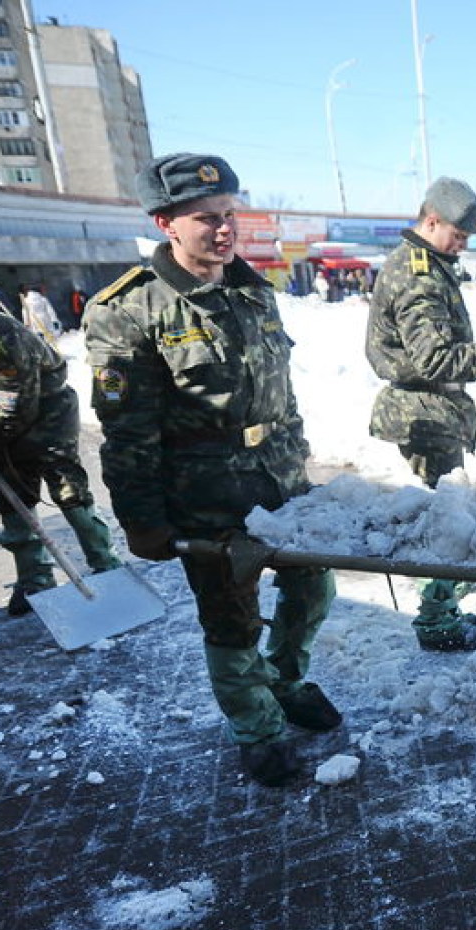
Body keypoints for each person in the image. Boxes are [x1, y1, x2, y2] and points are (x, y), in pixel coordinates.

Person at [83, 153, 340, 788]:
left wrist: (298, 463)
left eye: (230, 214)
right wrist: (142, 520)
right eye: (207, 219)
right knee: (230, 617)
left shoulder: (253, 290)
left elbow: (283, 396)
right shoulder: (129, 310)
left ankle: (284, 682)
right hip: (207, 497)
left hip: (280, 485)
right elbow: (127, 434)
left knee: (314, 591)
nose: (225, 229)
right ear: (166, 222)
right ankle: (255, 727)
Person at [366, 176, 476, 652]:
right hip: (425, 411)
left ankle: (443, 600)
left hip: (432, 409)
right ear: (430, 219)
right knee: (442, 526)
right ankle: (438, 621)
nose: (461, 246)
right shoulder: (418, 276)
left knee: (443, 514)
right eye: (457, 236)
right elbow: (433, 361)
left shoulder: (430, 264)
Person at [0, 265, 122, 616]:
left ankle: (106, 563)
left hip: (46, 411)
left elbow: (13, 407)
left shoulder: (1, 335)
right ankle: (35, 579)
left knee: (67, 487)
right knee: (12, 494)